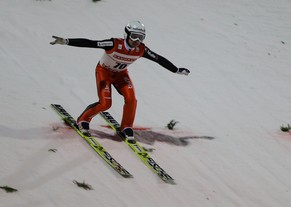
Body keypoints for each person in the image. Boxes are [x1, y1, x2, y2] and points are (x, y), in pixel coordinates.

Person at [50, 20, 190, 143]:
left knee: (131, 99)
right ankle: (83, 119)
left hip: (121, 74)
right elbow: (91, 43)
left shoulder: (141, 49)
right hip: (103, 72)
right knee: (105, 104)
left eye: (141, 37)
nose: (137, 41)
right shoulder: (114, 43)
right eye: (135, 36)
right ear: (127, 35)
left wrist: (176, 69)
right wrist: (66, 41)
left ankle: (126, 127)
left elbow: (158, 58)